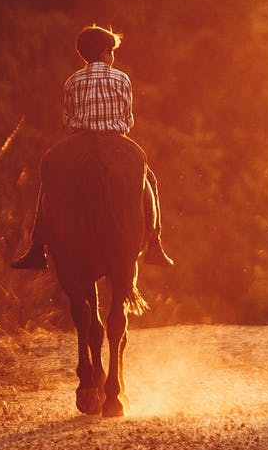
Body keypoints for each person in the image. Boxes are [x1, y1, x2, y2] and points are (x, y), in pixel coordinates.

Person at [11, 25, 174, 270]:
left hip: (80, 138)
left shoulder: (72, 81)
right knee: (149, 178)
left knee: (49, 175)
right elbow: (127, 118)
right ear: (105, 52)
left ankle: (37, 246)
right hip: (114, 138)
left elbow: (68, 119)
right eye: (111, 51)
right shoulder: (121, 78)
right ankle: (155, 244)